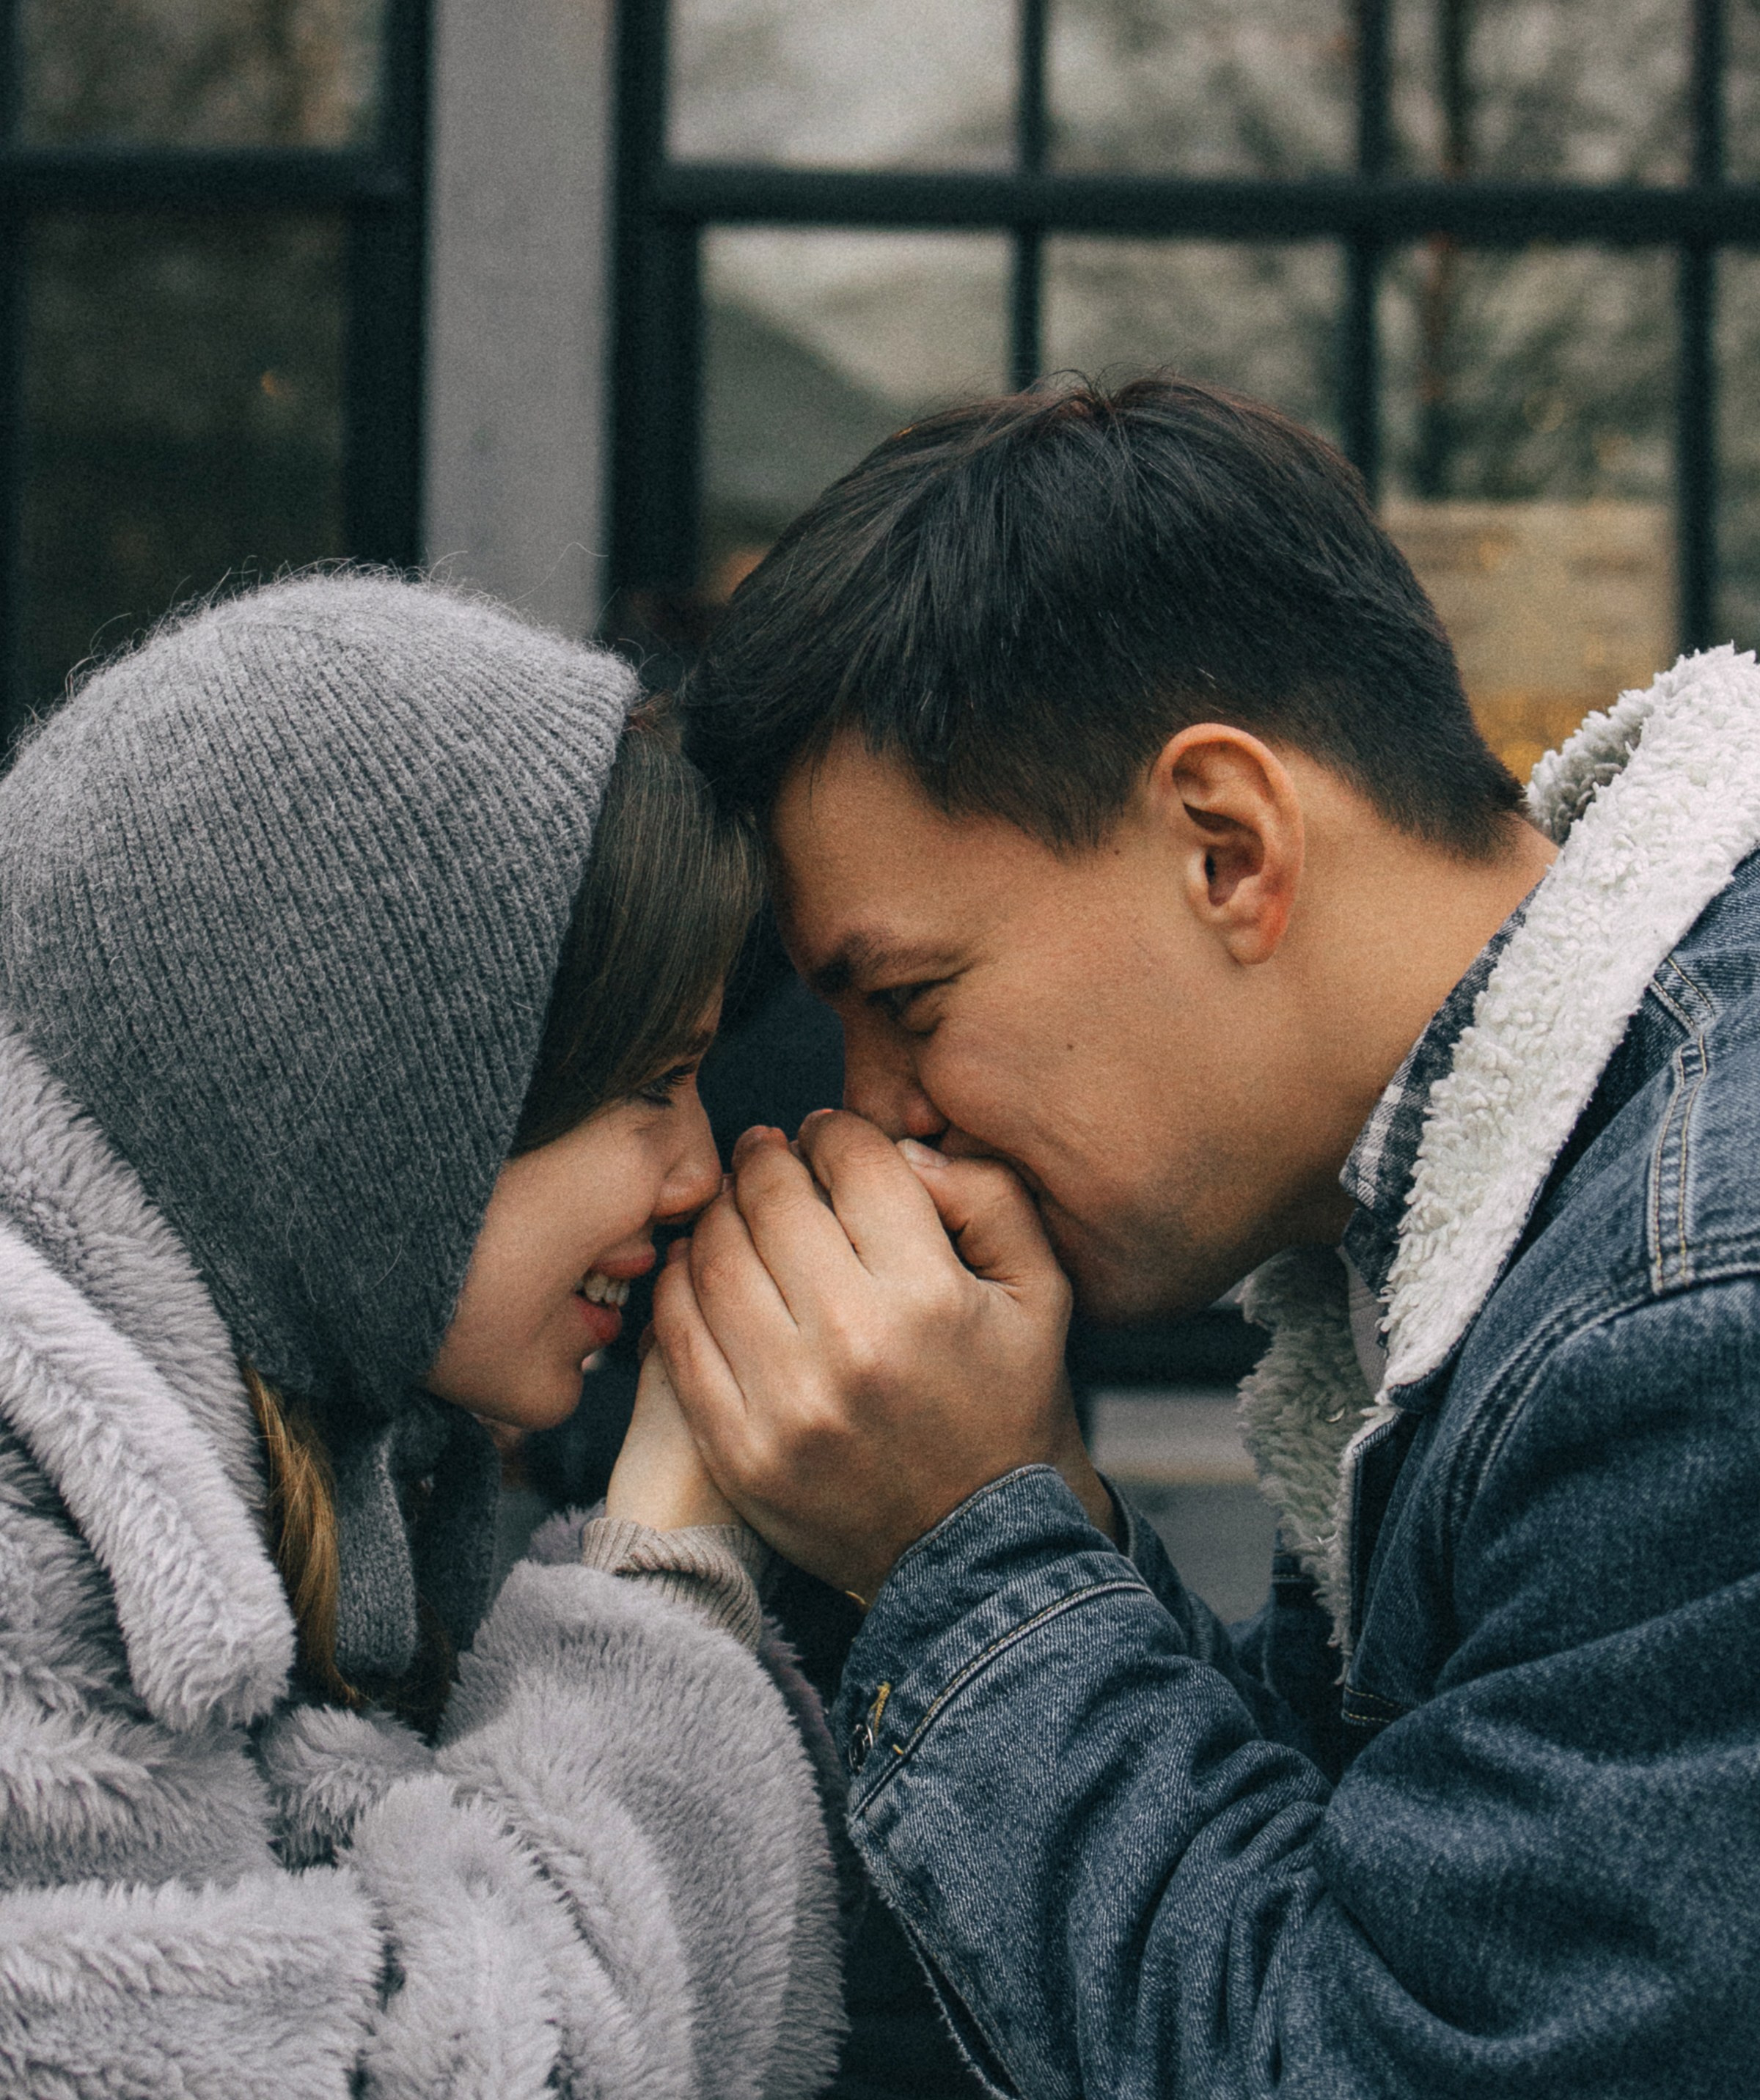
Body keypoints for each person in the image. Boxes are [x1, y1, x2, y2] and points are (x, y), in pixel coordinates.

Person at [660, 375, 1760, 2098]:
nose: (876, 1115)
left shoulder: (1690, 1315)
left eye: (909, 998)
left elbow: (1367, 2062)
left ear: (1227, 847)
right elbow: (1361, 1890)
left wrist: (961, 1542)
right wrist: (1031, 1522)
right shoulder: (1549, 1204)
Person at [0, 573, 844, 2099]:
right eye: (649, 1081)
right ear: (356, 1091)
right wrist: (658, 1578)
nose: (701, 1172)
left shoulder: (312, 1470)